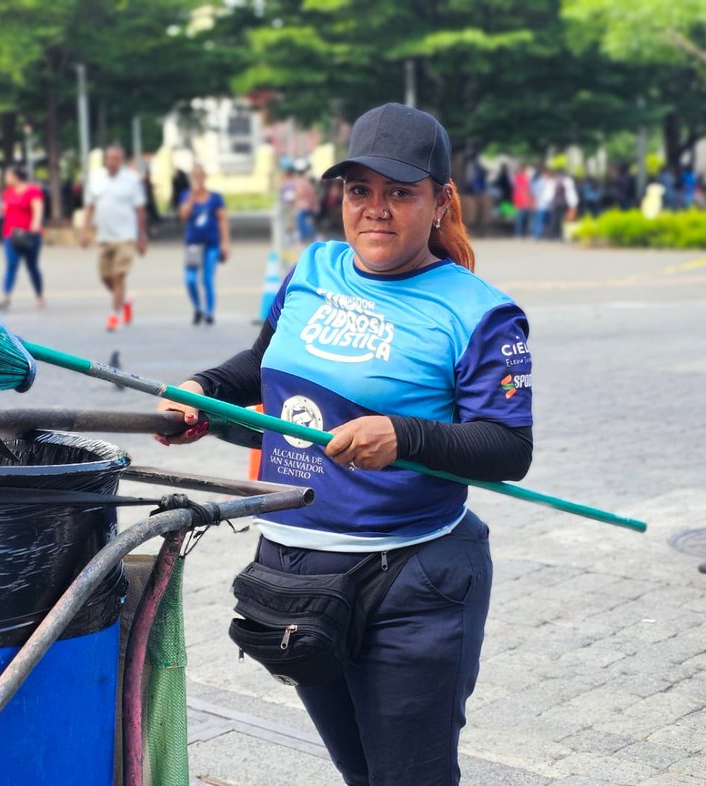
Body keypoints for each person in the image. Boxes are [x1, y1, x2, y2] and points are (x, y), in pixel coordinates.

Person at [155, 103, 533, 786]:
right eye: (360, 190)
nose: (376, 209)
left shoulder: (480, 313)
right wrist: (202, 391)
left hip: (414, 580)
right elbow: (260, 365)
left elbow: (509, 448)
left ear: (441, 201)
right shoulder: (315, 268)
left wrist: (404, 435)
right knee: (363, 775)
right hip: (299, 580)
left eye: (400, 192)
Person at [80, 144, 148, 331]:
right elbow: (89, 207)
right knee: (105, 277)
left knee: (119, 276)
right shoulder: (96, 178)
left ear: (122, 160)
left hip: (126, 236)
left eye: (116, 159)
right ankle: (125, 300)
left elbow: (140, 210)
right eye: (109, 159)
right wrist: (84, 231)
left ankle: (114, 315)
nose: (112, 162)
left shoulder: (131, 180)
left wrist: (142, 237)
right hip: (104, 237)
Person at [177, 164, 231, 325]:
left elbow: (222, 220)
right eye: (195, 177)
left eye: (200, 176)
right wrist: (191, 198)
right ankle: (197, 307)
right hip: (193, 243)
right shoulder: (186, 196)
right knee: (190, 280)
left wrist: (225, 242)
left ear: (205, 177)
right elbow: (183, 215)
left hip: (211, 243)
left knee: (207, 279)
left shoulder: (215, 198)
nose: (198, 180)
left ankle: (209, 312)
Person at [0, 166, 44, 310]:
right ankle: (6, 296)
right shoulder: (8, 192)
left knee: (32, 267)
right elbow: (6, 210)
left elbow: (38, 210)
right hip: (10, 235)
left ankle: (39, 295)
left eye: (8, 176)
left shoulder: (32, 191)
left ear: (16, 176)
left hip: (29, 235)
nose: (6, 179)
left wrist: (34, 226)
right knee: (11, 265)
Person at [512, 165, 534, 238]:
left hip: (525, 202)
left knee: (525, 219)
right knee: (520, 219)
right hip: (521, 202)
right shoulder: (519, 178)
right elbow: (522, 190)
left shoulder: (525, 178)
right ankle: (519, 234)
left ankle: (523, 233)